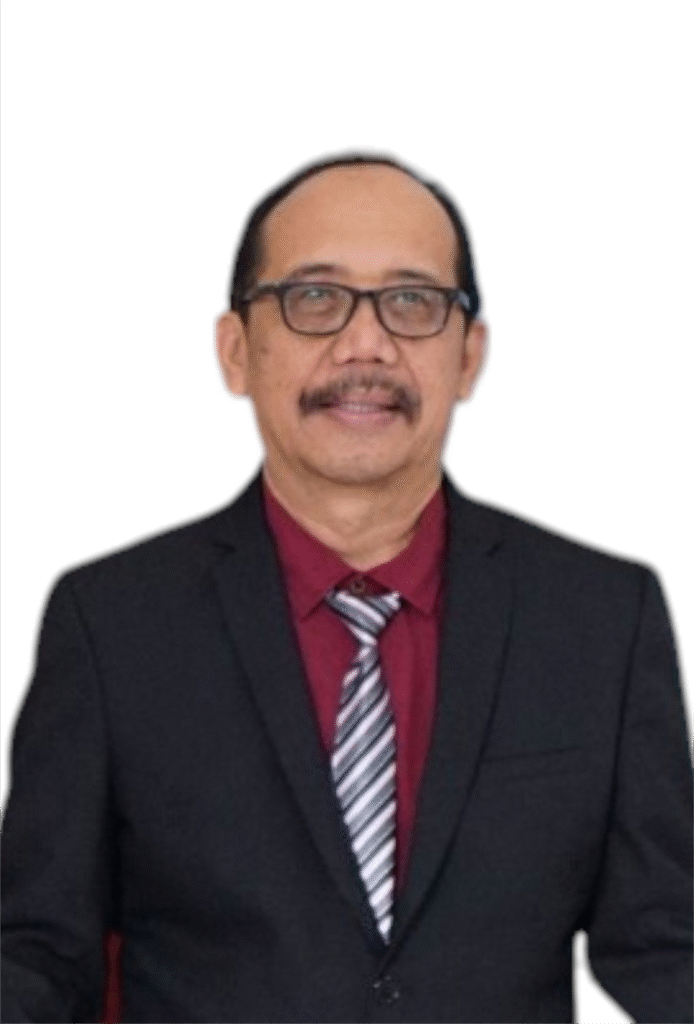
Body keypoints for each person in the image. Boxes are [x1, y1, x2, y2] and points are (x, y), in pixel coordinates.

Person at [1, 153, 693, 1024]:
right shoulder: (114, 627)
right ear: (237, 350)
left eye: (412, 302)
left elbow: (667, 944)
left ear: (469, 355)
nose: (366, 345)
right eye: (315, 297)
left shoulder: (599, 622)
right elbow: (40, 951)